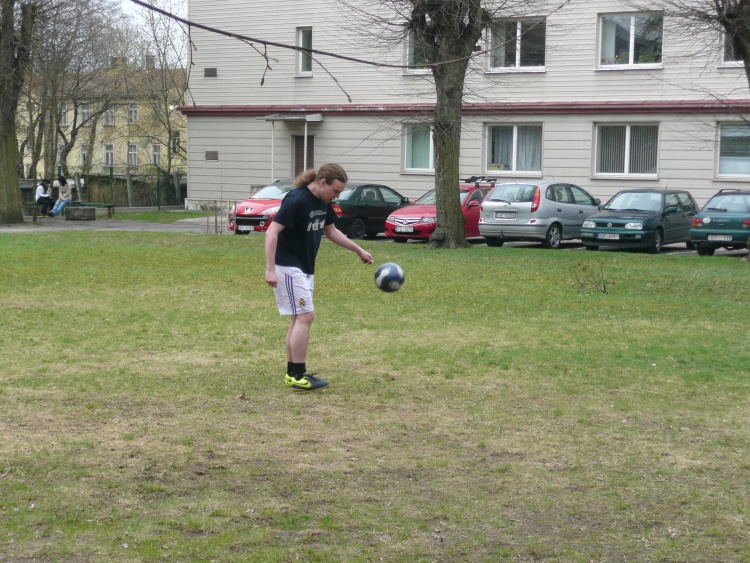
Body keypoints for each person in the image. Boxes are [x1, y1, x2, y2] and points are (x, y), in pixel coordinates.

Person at [264, 164, 373, 391]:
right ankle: (298, 375)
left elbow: (331, 231)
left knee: (298, 318)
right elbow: (272, 231)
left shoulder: (324, 202)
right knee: (306, 316)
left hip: (305, 267)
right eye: (336, 191)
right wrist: (270, 269)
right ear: (323, 182)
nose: (337, 196)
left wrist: (358, 250)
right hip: (288, 266)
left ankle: (292, 374)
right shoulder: (296, 200)